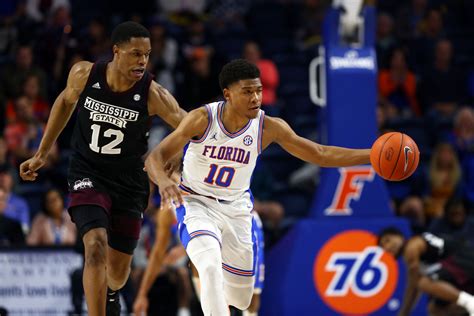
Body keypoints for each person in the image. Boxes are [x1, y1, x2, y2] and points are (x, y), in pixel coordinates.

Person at [145, 59, 372, 315]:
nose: (256, 98)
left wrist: (372, 155)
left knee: (242, 300)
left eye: (259, 91)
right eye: (247, 92)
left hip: (237, 209)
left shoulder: (268, 127)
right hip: (197, 202)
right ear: (228, 95)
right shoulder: (202, 119)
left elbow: (320, 153)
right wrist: (164, 182)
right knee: (208, 266)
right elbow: (155, 157)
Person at [19, 21, 186, 316]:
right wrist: (42, 152)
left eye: (146, 55)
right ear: (116, 51)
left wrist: (178, 154)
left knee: (118, 274)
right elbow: (64, 102)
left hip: (129, 182)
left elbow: (191, 126)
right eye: (135, 54)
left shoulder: (152, 94)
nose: (142, 61)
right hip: (88, 172)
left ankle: (110, 292)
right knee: (95, 247)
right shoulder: (85, 73)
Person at [132, 195, 265, 316]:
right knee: (201, 263)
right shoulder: (168, 209)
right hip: (206, 240)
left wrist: (183, 250)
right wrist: (142, 295)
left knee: (250, 300)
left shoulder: (203, 179)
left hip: (240, 223)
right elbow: (157, 255)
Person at [378, 227, 474, 316]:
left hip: (465, 259)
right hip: (459, 267)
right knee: (435, 309)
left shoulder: (411, 246)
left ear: (400, 236)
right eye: (383, 247)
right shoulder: (417, 251)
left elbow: (414, 286)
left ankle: (470, 302)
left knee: (423, 282)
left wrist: (403, 313)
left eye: (388, 240)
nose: (387, 247)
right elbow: (414, 288)